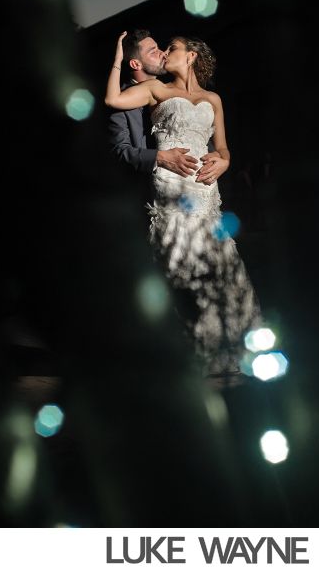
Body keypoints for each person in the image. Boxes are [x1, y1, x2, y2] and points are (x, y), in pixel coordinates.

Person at [105, 31, 261, 386]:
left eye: (171, 49)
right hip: (170, 185)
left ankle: (229, 349)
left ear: (191, 56)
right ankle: (186, 355)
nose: (164, 54)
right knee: (179, 266)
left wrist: (222, 163)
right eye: (160, 50)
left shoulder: (213, 99)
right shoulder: (156, 90)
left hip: (206, 189)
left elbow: (223, 148)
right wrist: (117, 56)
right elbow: (112, 99)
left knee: (217, 264)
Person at [108, 29, 203, 179]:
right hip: (148, 190)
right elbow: (119, 151)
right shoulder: (120, 101)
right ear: (135, 64)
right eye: (153, 52)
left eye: (159, 48)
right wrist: (159, 157)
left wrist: (218, 156)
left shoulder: (171, 91)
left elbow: (196, 132)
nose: (163, 53)